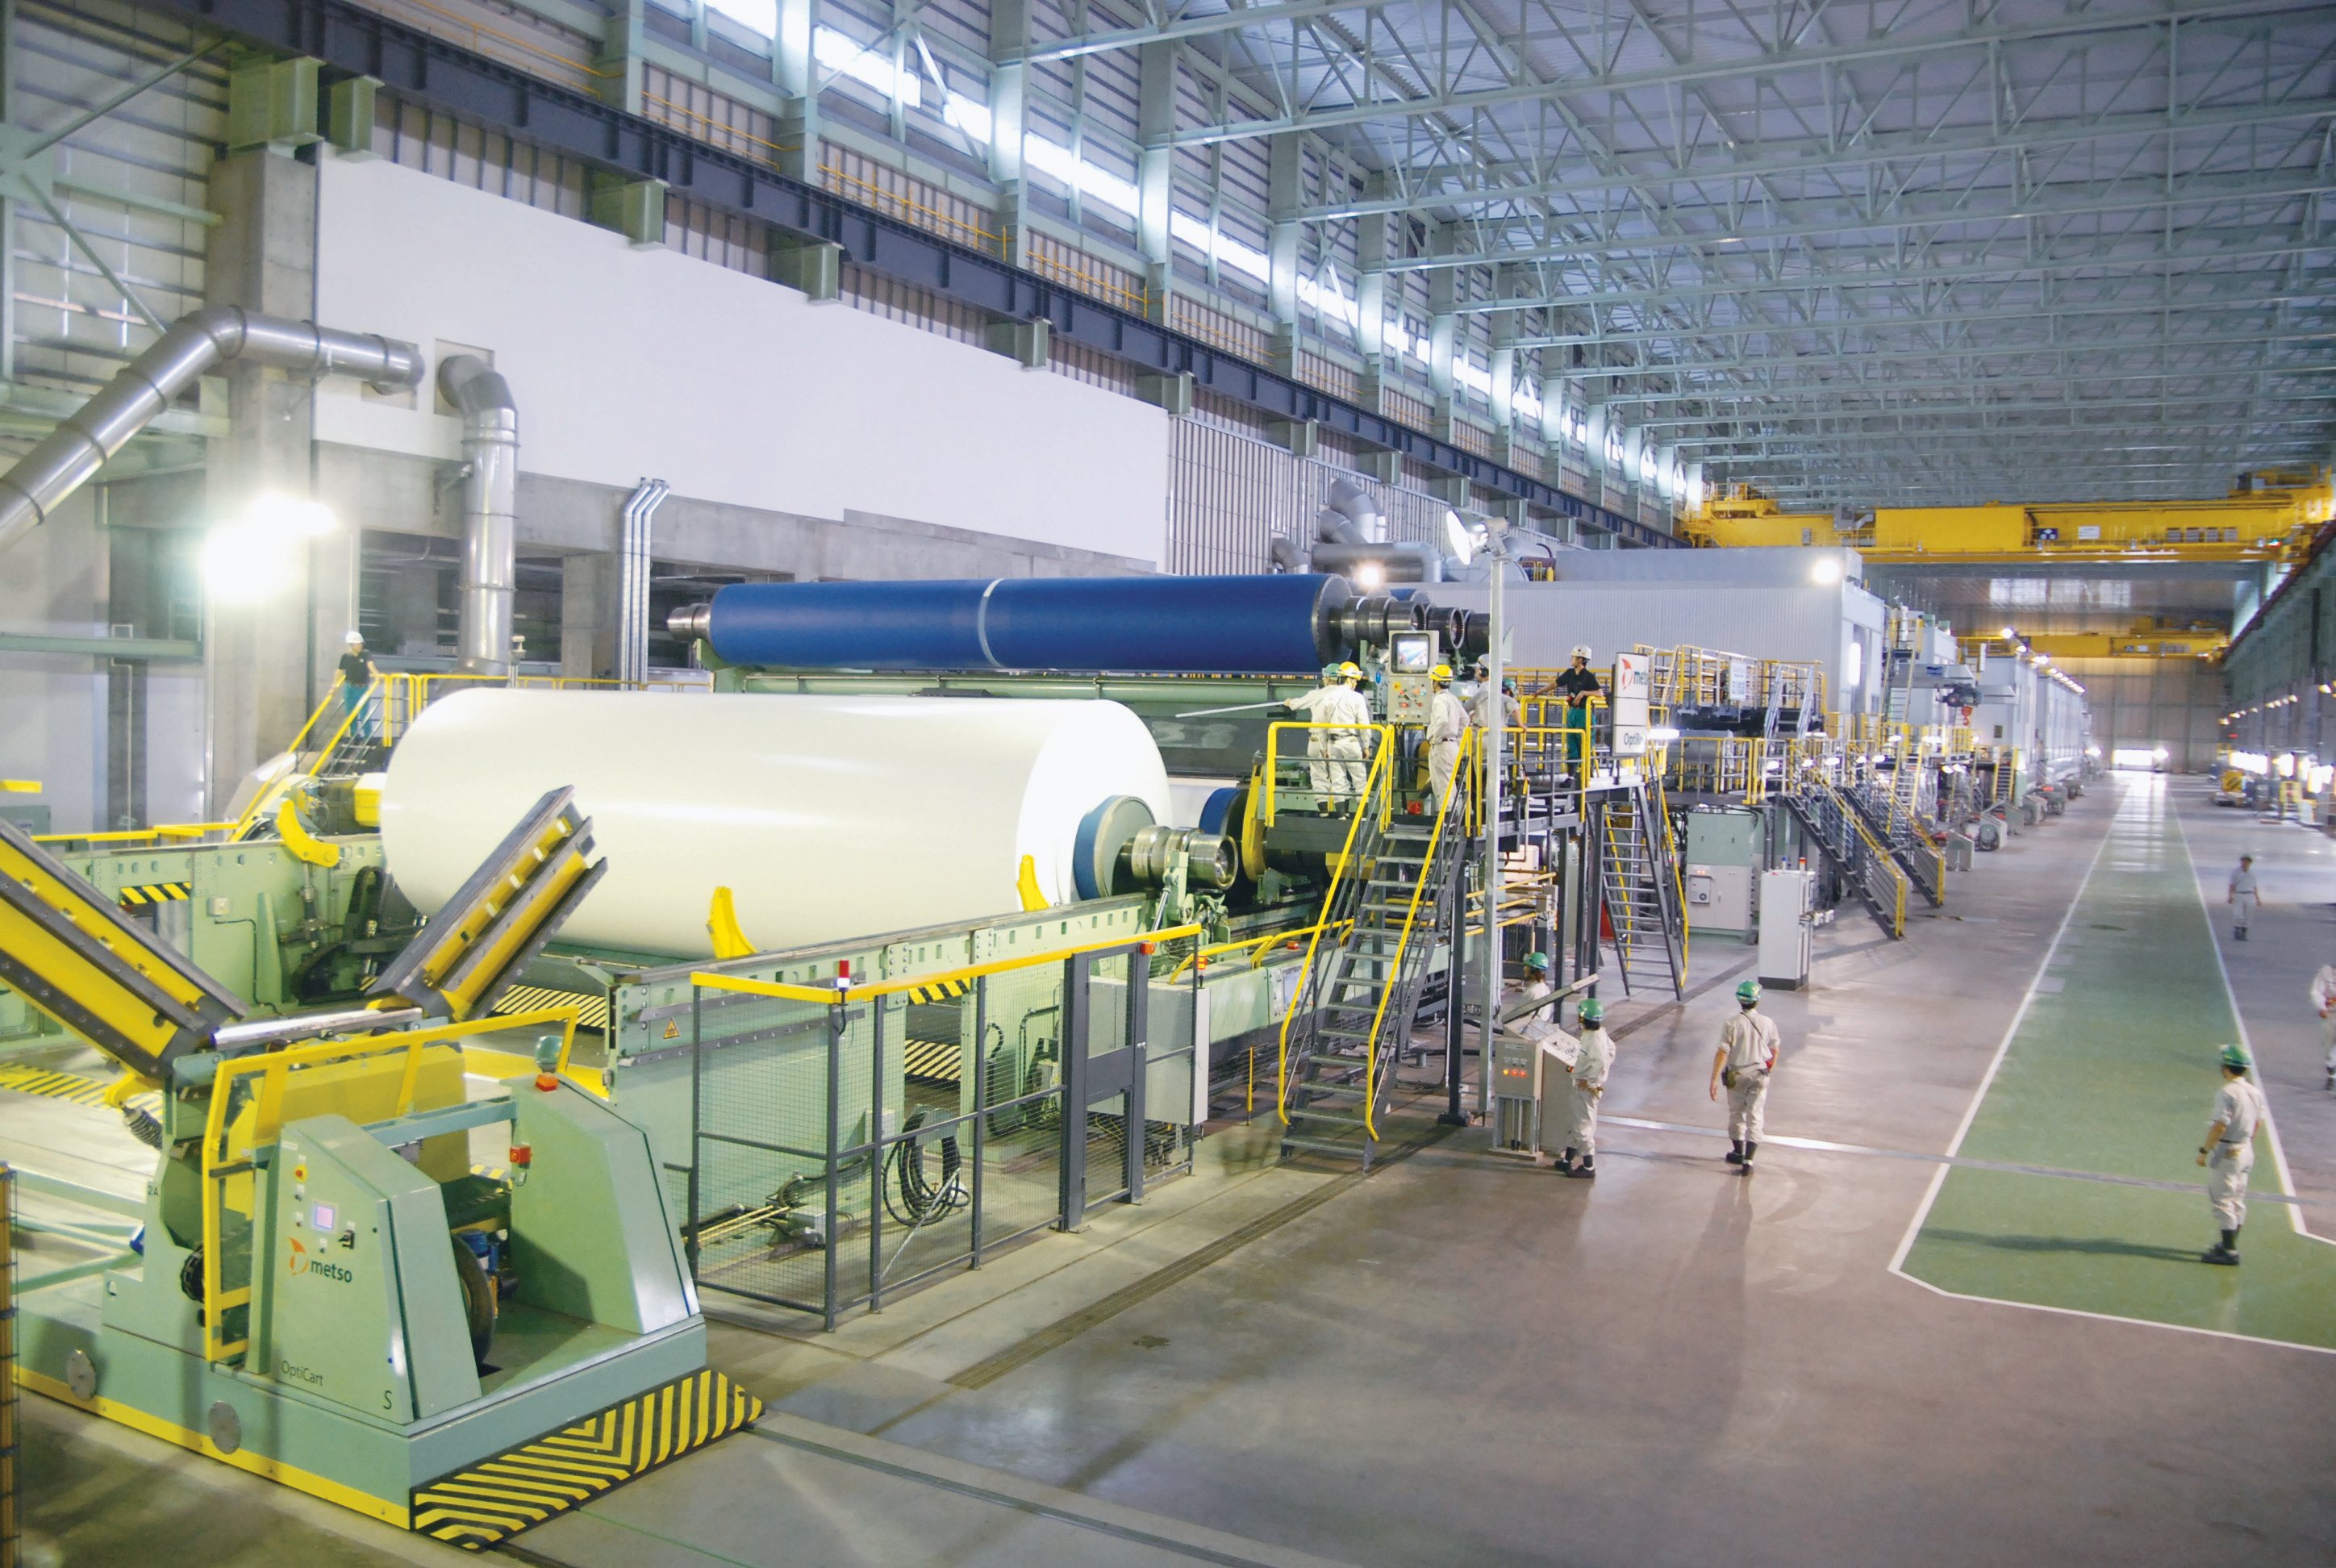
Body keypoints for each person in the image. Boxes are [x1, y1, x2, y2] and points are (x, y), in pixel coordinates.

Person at [2196, 1042, 2267, 1266]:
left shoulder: (2227, 1092)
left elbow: (2220, 1126)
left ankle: (2229, 1252)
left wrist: (2204, 1151)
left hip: (2228, 1152)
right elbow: (2257, 1123)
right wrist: (2246, 1144)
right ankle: (2230, 1242)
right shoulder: (2254, 1092)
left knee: (2223, 1201)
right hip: (2246, 1150)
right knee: (2237, 1199)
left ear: (2226, 1067)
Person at [1710, 978, 1779, 1173]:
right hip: (1760, 1074)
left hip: (1737, 1074)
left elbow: (1722, 1052)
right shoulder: (1768, 1023)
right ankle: (1749, 1160)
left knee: (1736, 1113)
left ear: (1739, 1000)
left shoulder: (1731, 1024)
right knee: (1755, 1114)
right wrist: (1768, 1069)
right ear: (1757, 1000)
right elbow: (1775, 1049)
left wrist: (1714, 1080)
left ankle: (1738, 1151)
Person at [1285, 662, 1372, 813]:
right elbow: (1364, 723)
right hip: (1349, 740)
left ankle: (1329, 812)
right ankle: (1362, 815)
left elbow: (1302, 709)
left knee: (1326, 776)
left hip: (1325, 740)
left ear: (1327, 678)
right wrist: (1366, 745)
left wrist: (1289, 702)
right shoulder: (1355, 697)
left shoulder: (1322, 695)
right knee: (1358, 778)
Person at [1552, 996, 1616, 1179]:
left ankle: (1589, 1167)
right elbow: (1611, 1051)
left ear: (1582, 1017)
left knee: (1583, 1127)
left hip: (1586, 1090)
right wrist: (1582, 1069)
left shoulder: (1594, 1039)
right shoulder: (1598, 1034)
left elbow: (1601, 1061)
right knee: (1576, 1123)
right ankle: (1567, 1160)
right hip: (1583, 1086)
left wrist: (1591, 1082)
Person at [1425, 663, 1473, 816]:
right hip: (1453, 747)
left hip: (1441, 746)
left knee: (1442, 785)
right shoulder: (1453, 698)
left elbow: (1442, 720)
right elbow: (1465, 720)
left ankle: (1446, 822)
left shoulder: (1439, 700)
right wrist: (1456, 739)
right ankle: (1453, 819)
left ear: (1435, 682)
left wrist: (1435, 737)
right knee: (1450, 783)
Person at [1553, 644, 1602, 765]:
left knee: (1584, 742)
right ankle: (1572, 772)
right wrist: (1538, 692)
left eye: (1573, 657)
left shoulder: (1588, 676)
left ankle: (1585, 770)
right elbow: (1555, 684)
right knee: (1571, 742)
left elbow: (1600, 693)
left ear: (1580, 659)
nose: (1571, 659)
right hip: (1572, 712)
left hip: (1584, 712)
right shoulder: (1570, 673)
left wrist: (1584, 693)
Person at [335, 631, 375, 731]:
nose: (360, 645)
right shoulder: (346, 657)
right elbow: (340, 671)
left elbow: (370, 664)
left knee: (364, 713)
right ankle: (354, 736)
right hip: (350, 688)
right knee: (351, 714)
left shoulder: (366, 654)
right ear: (351, 645)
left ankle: (367, 736)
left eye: (361, 643)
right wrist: (334, 686)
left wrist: (377, 675)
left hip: (363, 688)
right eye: (358, 644)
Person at [2312, 958, 2336, 1091]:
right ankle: (2331, 1071)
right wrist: (2321, 1007)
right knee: (2329, 1045)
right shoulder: (2326, 972)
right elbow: (2316, 991)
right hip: (2330, 1014)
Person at [2227, 855, 2259, 940]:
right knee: (2238, 914)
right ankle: (2237, 929)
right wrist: (2230, 896)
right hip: (2239, 894)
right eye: (2243, 861)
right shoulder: (2236, 872)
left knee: (2249, 914)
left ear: (2250, 863)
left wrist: (2257, 898)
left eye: (2246, 862)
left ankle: (2244, 931)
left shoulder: (2252, 874)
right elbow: (2232, 885)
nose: (2245, 863)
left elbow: (2254, 887)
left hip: (2250, 894)